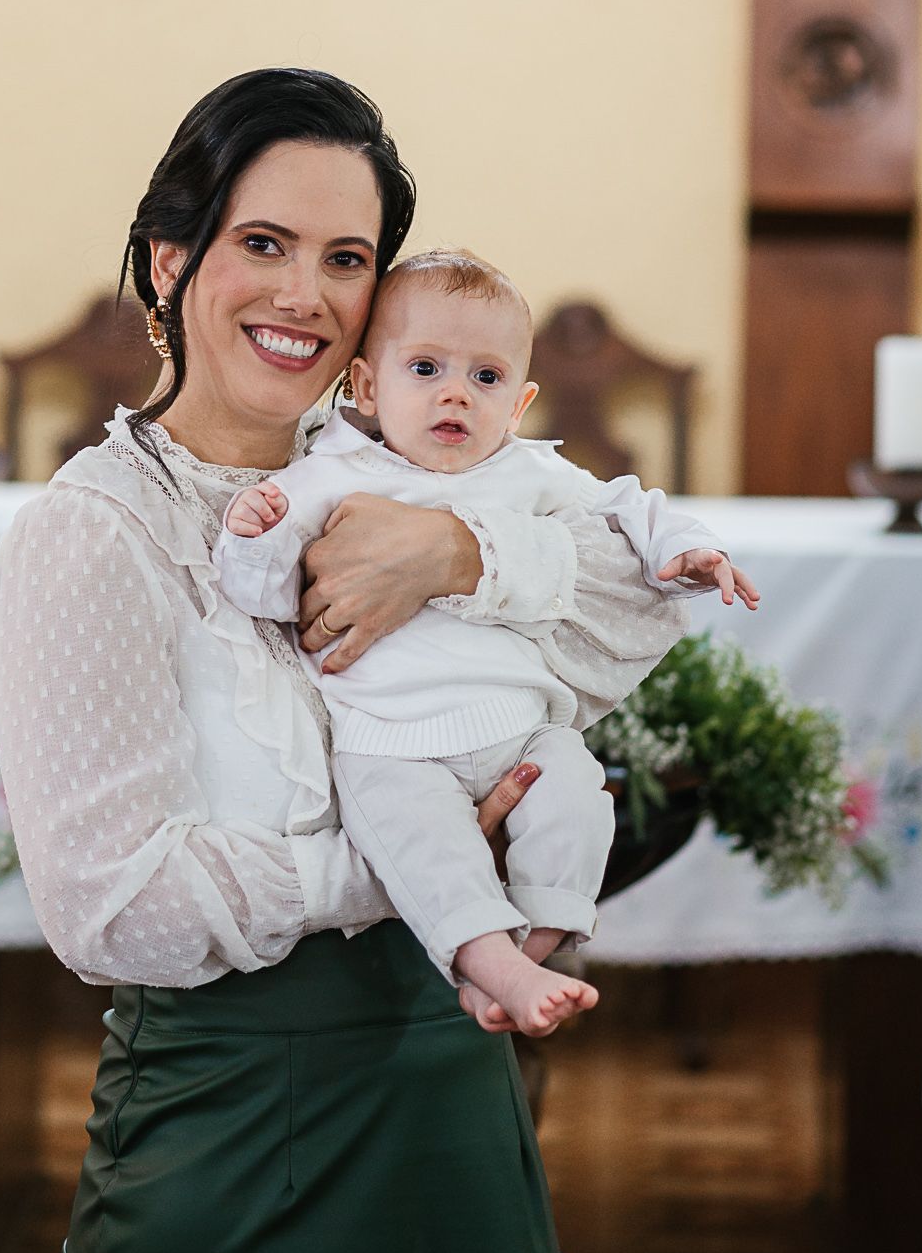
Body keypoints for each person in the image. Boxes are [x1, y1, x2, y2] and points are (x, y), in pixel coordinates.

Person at [0, 68, 688, 1253]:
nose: (304, 294)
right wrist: (418, 865)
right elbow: (112, 908)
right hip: (235, 1141)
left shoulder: (420, 456)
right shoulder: (93, 537)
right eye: (263, 243)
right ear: (170, 259)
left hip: (452, 1110)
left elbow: (637, 613)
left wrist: (457, 553)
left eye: (347, 258)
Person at [215, 246, 758, 1040]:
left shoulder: (525, 471)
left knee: (578, 799)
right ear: (366, 385)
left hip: (522, 730)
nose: (455, 394)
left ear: (519, 401)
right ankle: (493, 967)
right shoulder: (329, 475)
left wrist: (683, 551)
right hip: (387, 744)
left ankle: (534, 947)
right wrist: (252, 537)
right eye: (425, 368)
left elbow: (623, 509)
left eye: (486, 377)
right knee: (426, 850)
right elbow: (263, 598)